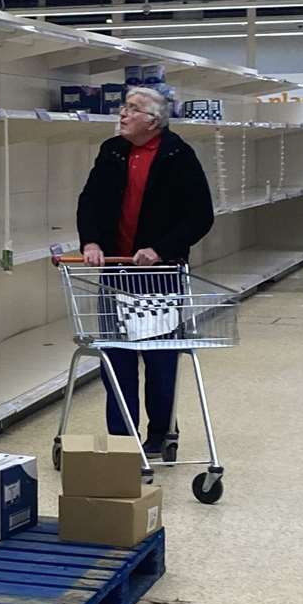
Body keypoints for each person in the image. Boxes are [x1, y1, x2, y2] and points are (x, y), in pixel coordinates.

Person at [75, 86, 216, 457]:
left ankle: (160, 434)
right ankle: (123, 441)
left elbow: (200, 216)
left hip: (158, 274)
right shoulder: (112, 151)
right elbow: (89, 201)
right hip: (115, 270)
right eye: (124, 107)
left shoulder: (178, 155)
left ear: (153, 121)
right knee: (116, 357)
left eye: (132, 109)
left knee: (158, 357)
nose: (122, 114)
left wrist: (160, 249)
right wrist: (90, 242)